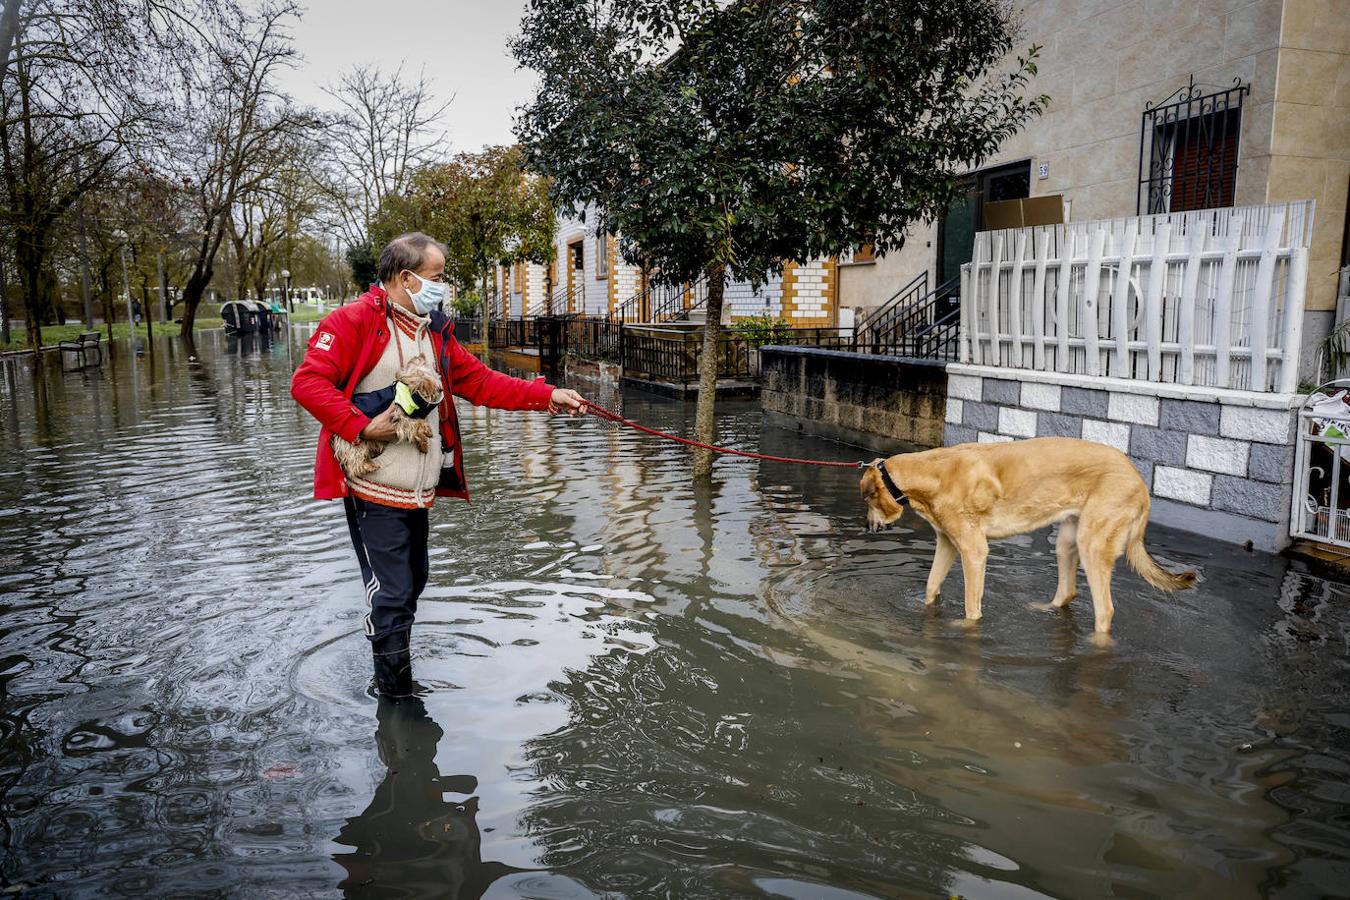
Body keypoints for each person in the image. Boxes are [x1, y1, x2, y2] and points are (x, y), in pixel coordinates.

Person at [291, 232, 585, 697]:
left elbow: (484, 383)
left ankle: (396, 681)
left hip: (418, 492)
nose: (442, 287)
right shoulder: (351, 321)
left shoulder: (435, 332)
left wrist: (548, 395)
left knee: (413, 584)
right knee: (391, 594)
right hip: (373, 488)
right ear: (405, 278)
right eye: (437, 278)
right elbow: (308, 383)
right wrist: (364, 428)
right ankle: (394, 696)